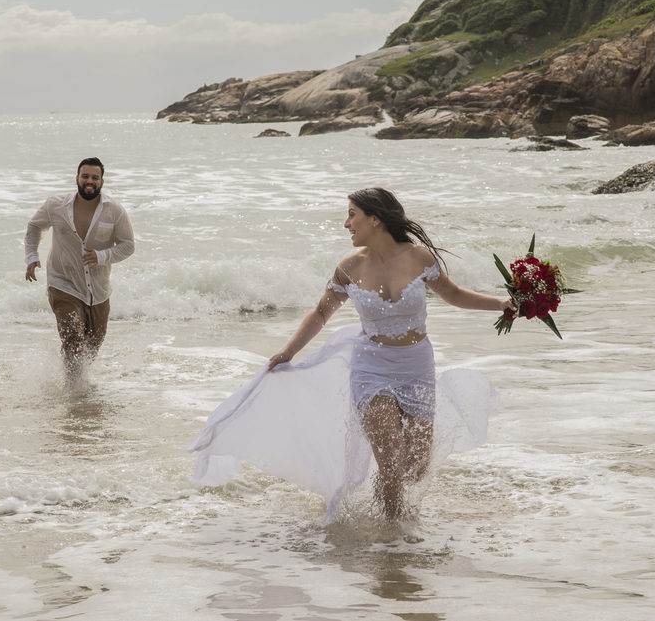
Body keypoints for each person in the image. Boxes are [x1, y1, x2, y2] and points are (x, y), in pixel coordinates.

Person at [188, 187, 514, 523]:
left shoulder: (420, 259)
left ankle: (393, 514)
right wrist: (287, 352)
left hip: (417, 367)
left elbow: (455, 294)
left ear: (375, 219)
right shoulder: (349, 268)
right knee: (390, 458)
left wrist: (501, 303)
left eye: (351, 214)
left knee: (415, 466)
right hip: (371, 368)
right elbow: (320, 313)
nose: (346, 224)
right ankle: (394, 533)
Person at [24, 157, 135, 382]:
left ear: (102, 181)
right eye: (85, 176)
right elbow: (34, 226)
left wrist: (102, 256)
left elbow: (128, 246)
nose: (89, 181)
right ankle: (74, 390)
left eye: (95, 177)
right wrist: (32, 256)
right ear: (77, 178)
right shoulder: (56, 205)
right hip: (62, 282)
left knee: (93, 342)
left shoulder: (114, 211)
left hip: (98, 289)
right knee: (72, 336)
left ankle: (78, 380)